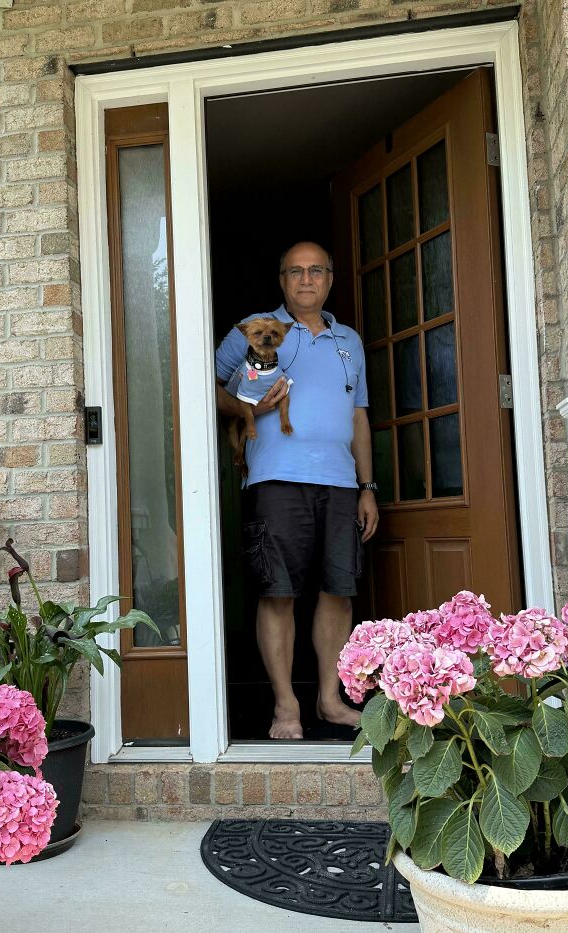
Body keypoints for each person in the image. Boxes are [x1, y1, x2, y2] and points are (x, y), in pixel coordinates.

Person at [215, 242, 379, 739]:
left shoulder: (349, 340)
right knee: (278, 592)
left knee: (338, 592)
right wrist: (251, 409)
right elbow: (207, 390)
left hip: (341, 482)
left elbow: (358, 416)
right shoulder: (254, 328)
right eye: (296, 271)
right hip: (276, 479)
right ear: (282, 279)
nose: (306, 279)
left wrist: (367, 486)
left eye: (316, 270)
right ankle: (286, 707)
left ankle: (330, 700)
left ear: (330, 278)